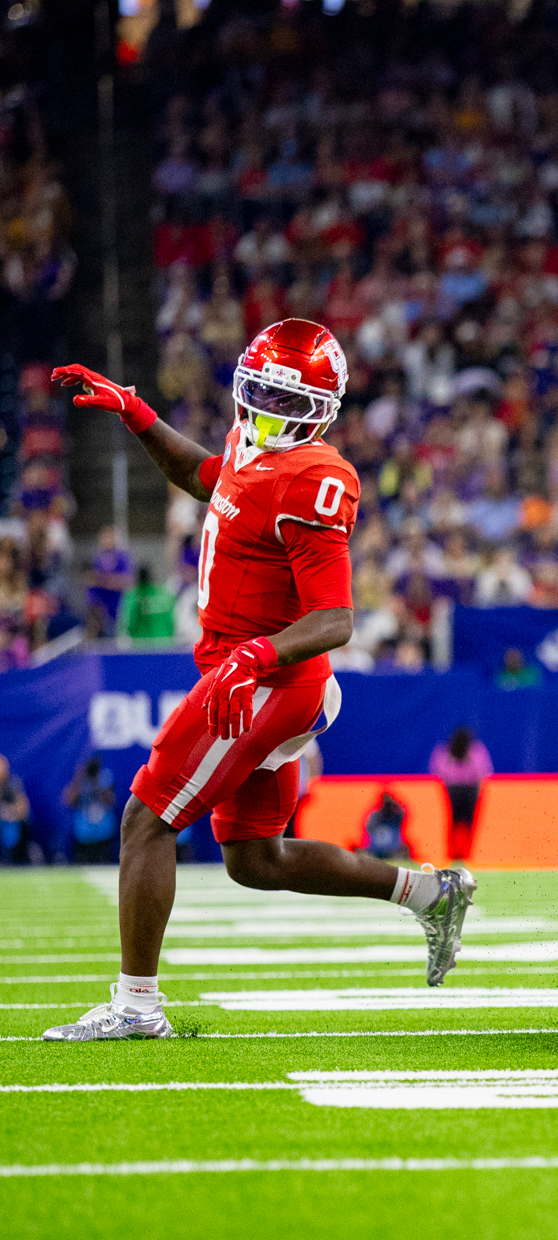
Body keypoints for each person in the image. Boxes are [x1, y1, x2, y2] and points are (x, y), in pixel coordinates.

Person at [43, 320, 475, 1043]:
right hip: (253, 672)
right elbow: (202, 478)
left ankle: (137, 1005)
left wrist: (252, 659)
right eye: (264, 390)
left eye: (287, 395)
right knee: (255, 859)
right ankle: (428, 891)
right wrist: (138, 415)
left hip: (266, 681)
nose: (270, 407)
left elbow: (335, 617)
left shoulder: (317, 477)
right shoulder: (253, 445)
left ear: (324, 405)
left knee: (147, 815)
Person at [430, 726, 492, 863]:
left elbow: (438, 771)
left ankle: (461, 853)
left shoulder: (471, 751)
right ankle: (456, 853)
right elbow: (483, 772)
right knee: (460, 822)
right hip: (464, 789)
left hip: (456, 788)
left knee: (458, 823)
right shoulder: (472, 750)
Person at [64, 756, 120, 864]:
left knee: (103, 863)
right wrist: (79, 779)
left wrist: (98, 784)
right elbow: (68, 801)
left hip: (103, 830)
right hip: (83, 831)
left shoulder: (105, 777)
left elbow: (111, 801)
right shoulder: (80, 779)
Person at [84, 526, 133, 640]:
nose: (106, 540)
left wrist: (101, 580)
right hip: (99, 612)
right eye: (103, 537)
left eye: (109, 537)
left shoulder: (122, 558)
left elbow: (125, 581)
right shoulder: (97, 558)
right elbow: (91, 582)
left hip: (117, 610)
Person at [118, 564, 180, 645]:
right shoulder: (165, 595)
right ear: (152, 576)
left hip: (141, 649)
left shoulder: (133, 596)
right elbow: (172, 623)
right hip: (164, 647)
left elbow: (128, 623)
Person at [0, 756, 34, 864]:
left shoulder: (13, 784)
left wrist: (8, 812)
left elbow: (23, 810)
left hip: (13, 824)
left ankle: (15, 859)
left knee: (12, 828)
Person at [362, 789, 409, 859]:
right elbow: (368, 829)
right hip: (376, 850)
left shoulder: (395, 817)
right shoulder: (375, 816)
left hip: (392, 851)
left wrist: (393, 804)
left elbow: (403, 814)